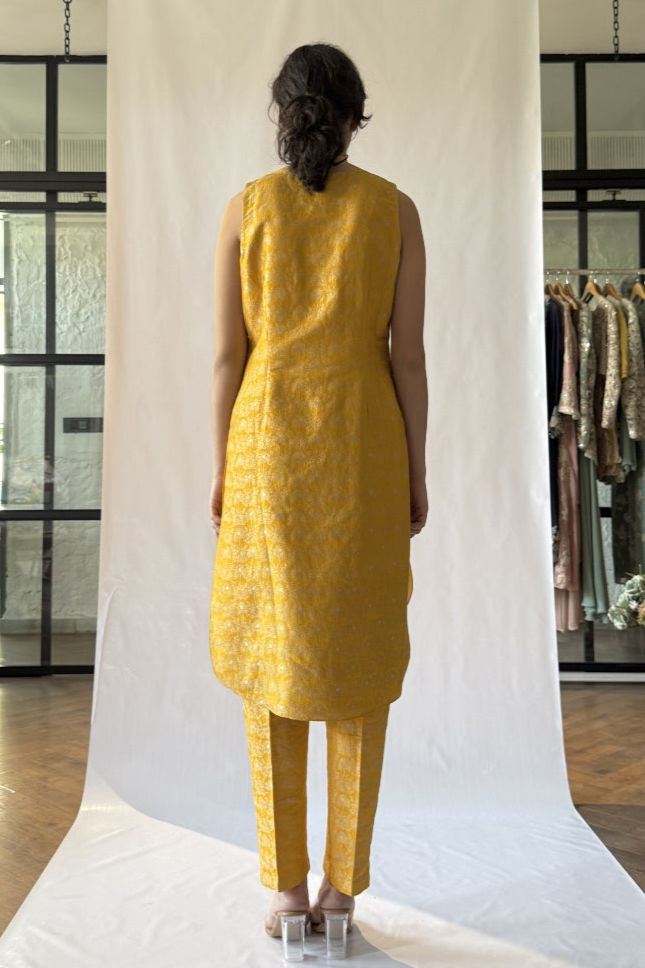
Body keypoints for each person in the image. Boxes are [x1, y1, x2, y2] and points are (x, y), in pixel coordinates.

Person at [208, 42, 427, 938]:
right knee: (357, 661)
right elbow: (406, 357)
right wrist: (417, 467)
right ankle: (342, 892)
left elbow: (227, 357)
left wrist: (222, 468)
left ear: (284, 110)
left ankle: (285, 890)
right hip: (363, 446)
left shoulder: (245, 209)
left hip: (266, 448)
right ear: (354, 115)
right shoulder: (394, 210)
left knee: (273, 659)